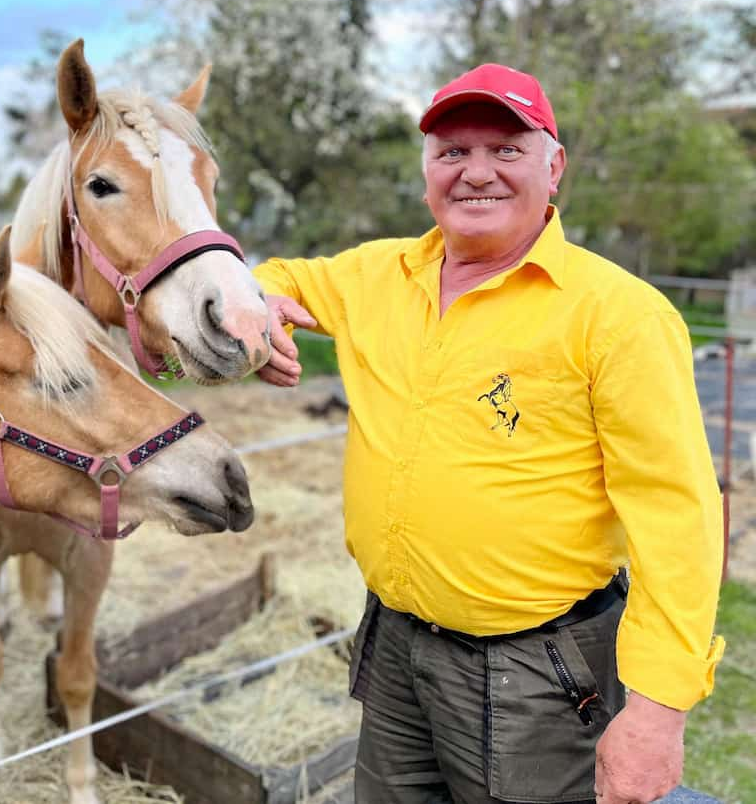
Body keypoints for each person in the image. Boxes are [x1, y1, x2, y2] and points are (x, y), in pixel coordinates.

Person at [253, 64, 725, 804]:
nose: (476, 172)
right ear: (426, 171)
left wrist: (658, 712)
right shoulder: (378, 275)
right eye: (452, 151)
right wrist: (251, 320)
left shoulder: (617, 315)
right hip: (397, 646)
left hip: (539, 673)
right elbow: (272, 278)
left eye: (505, 149)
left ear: (554, 166)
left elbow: (680, 517)